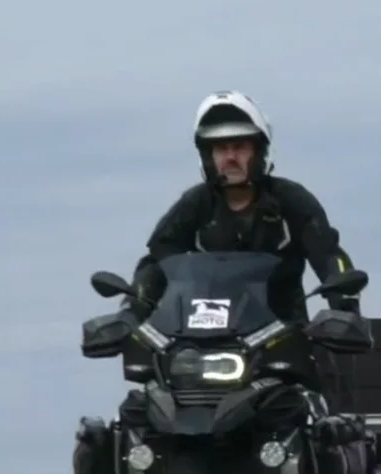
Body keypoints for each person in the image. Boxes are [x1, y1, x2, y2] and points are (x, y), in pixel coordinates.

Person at [126, 90, 362, 322]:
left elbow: (329, 255)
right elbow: (157, 260)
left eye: (239, 146)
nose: (230, 157)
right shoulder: (194, 205)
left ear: (259, 151)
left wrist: (345, 310)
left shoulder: (292, 200)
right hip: (202, 336)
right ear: (208, 157)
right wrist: (131, 313)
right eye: (221, 148)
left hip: (286, 337)